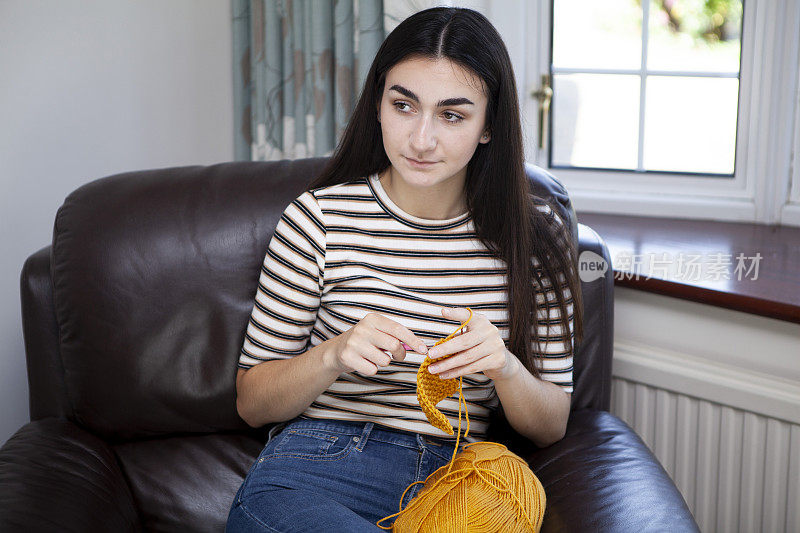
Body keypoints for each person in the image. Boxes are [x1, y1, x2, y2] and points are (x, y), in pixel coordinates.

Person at [226, 6, 584, 532]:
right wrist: (332, 355)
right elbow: (252, 404)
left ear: (489, 126)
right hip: (317, 465)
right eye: (403, 105)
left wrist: (504, 367)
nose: (421, 139)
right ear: (378, 105)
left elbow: (551, 425)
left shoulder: (536, 239)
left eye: (452, 115)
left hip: (457, 477)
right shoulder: (318, 219)